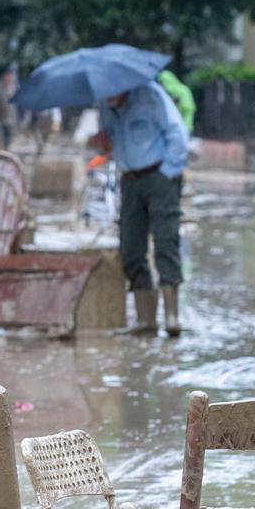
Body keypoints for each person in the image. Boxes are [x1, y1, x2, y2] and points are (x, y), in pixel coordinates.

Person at [92, 77, 190, 336]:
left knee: (165, 242)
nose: (109, 92)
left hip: (160, 176)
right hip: (130, 181)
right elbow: (111, 145)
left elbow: (177, 133)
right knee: (130, 248)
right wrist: (103, 145)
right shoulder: (104, 107)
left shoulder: (151, 96)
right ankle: (146, 319)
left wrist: (168, 172)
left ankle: (172, 316)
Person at [157, 67, 197, 134]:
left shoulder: (170, 89)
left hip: (179, 116)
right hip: (188, 113)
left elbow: (174, 102)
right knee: (188, 126)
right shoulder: (183, 87)